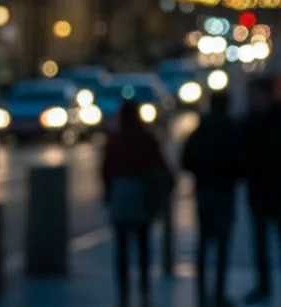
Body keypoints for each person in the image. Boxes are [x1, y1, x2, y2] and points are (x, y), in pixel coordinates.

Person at [102, 99, 173, 307]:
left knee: (122, 249)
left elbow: (106, 169)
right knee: (143, 246)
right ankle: (144, 291)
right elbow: (160, 165)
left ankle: (123, 294)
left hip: (121, 193)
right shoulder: (146, 139)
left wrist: (108, 193)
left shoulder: (115, 140)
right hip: (141, 195)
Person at [242, 77, 281, 306]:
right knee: (262, 242)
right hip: (260, 190)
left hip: (278, 190)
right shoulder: (251, 121)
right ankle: (265, 286)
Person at [182, 91, 242, 307]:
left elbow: (186, 159)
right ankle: (218, 293)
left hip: (205, 190)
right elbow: (241, 160)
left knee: (204, 244)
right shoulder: (231, 129)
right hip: (224, 192)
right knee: (222, 246)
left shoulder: (201, 130)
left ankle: (201, 292)